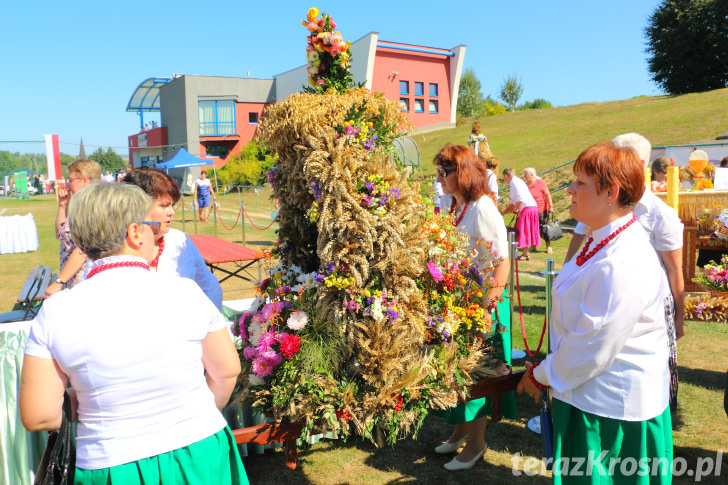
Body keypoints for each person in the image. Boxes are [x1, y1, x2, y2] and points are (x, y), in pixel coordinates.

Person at [19, 181, 247, 484]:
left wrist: (79, 399)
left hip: (111, 463)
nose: (157, 234)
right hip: (199, 448)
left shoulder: (56, 311)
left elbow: (39, 415)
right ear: (135, 233)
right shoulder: (185, 292)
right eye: (151, 226)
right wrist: (193, 413)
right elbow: (227, 372)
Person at [517, 141, 672, 483]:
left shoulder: (624, 258)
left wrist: (540, 375)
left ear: (611, 192)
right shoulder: (598, 238)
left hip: (611, 412)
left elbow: (594, 343)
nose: (569, 189)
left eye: (580, 183)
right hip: (587, 394)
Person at [564, 133, 684, 410]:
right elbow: (579, 244)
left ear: (638, 163)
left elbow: (674, 269)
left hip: (639, 313)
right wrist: (567, 280)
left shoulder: (659, 214)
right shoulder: (595, 208)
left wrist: (679, 318)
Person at [432, 144, 514, 471]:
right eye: (439, 171)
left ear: (462, 172)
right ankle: (459, 431)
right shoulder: (454, 205)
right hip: (459, 302)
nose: (440, 178)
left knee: (476, 376)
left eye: (445, 172)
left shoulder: (482, 207)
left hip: (482, 304)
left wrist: (488, 305)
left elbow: (501, 261)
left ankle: (477, 444)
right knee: (456, 373)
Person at [124, 167, 223, 309]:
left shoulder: (180, 241)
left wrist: (210, 327)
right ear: (137, 207)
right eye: (164, 205)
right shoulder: (113, 248)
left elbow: (210, 288)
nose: (171, 212)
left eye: (172, 205)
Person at [45, 159, 101, 297]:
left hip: (84, 280)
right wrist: (63, 206)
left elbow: (83, 250)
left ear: (85, 180)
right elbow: (60, 234)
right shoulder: (82, 205)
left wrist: (58, 282)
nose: (68, 185)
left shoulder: (94, 206)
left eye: (71, 180)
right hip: (72, 278)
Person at [501, 167, 539, 260]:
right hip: (530, 207)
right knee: (524, 229)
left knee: (522, 230)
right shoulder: (518, 181)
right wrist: (507, 211)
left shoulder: (514, 182)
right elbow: (515, 201)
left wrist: (513, 209)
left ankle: (525, 254)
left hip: (527, 208)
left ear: (506, 176)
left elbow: (519, 199)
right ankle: (526, 253)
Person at [523, 167, 554, 254]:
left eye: (525, 175)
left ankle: (548, 246)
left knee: (544, 228)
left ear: (532, 175)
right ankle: (533, 246)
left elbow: (547, 194)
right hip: (530, 210)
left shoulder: (540, 183)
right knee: (533, 228)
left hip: (541, 209)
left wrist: (551, 206)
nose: (524, 176)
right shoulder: (525, 185)